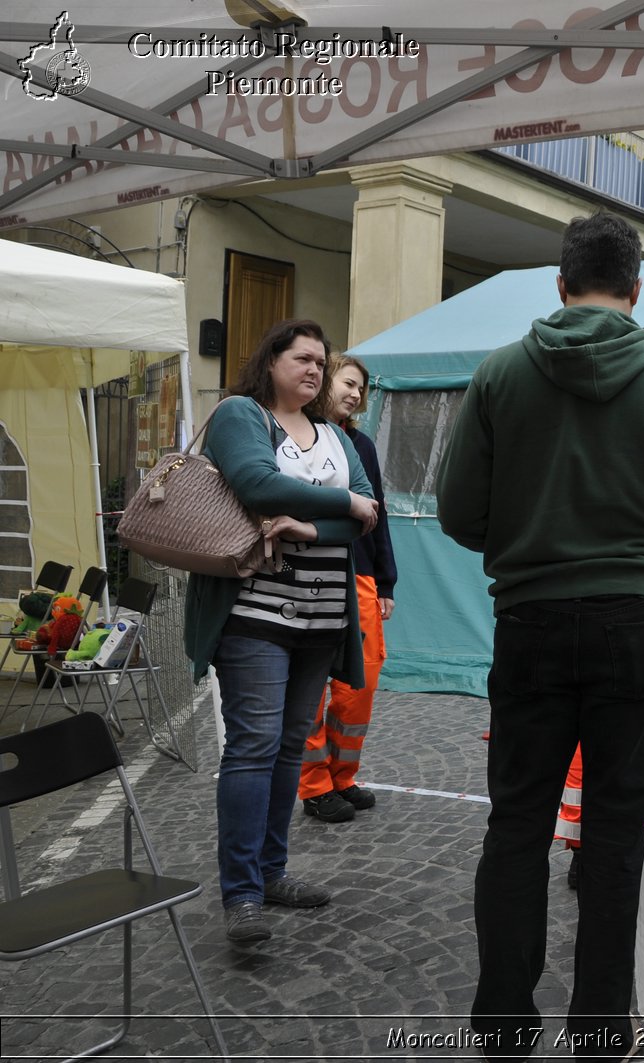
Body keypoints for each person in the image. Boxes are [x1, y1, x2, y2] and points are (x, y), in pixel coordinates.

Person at [437, 212, 644, 1060]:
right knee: (616, 826)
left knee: (517, 823)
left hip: (529, 618)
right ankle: (602, 1025)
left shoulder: (498, 375)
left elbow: (459, 513)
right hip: (638, 624)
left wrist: (531, 538)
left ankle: (503, 1021)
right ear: (636, 290)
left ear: (559, 285)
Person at [184, 319, 380, 945]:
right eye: (302, 358)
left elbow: (370, 511)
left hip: (323, 620)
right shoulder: (241, 413)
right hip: (255, 615)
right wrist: (343, 505)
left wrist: (309, 528)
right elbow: (255, 483)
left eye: (321, 362)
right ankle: (241, 893)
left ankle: (272, 873)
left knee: (291, 747)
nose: (315, 370)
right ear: (271, 360)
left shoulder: (333, 434)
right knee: (254, 745)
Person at [557, 327, 644, 889]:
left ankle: (594, 854)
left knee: (588, 745)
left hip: (551, 605)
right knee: (635, 746)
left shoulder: (554, 401)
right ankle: (618, 861)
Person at [299, 353, 397, 823]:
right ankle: (313, 785)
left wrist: (385, 582)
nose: (356, 393)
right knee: (311, 681)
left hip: (358, 574)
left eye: (362, 388)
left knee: (362, 681)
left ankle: (343, 775)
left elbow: (379, 519)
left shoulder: (362, 445)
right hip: (310, 572)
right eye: (349, 382)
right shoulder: (295, 438)